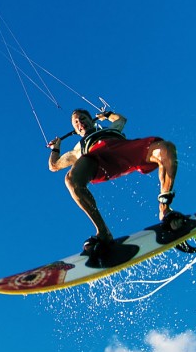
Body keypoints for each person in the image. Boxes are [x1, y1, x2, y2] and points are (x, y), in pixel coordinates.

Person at [47, 109, 184, 254]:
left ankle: (165, 209)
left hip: (122, 149)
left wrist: (106, 115)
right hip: (96, 159)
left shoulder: (112, 129)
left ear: (91, 120)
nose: (80, 122)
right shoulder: (76, 150)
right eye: (76, 122)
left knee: (166, 148)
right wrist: (56, 148)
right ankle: (103, 232)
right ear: (76, 130)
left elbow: (121, 120)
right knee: (71, 180)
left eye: (83, 118)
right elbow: (54, 166)